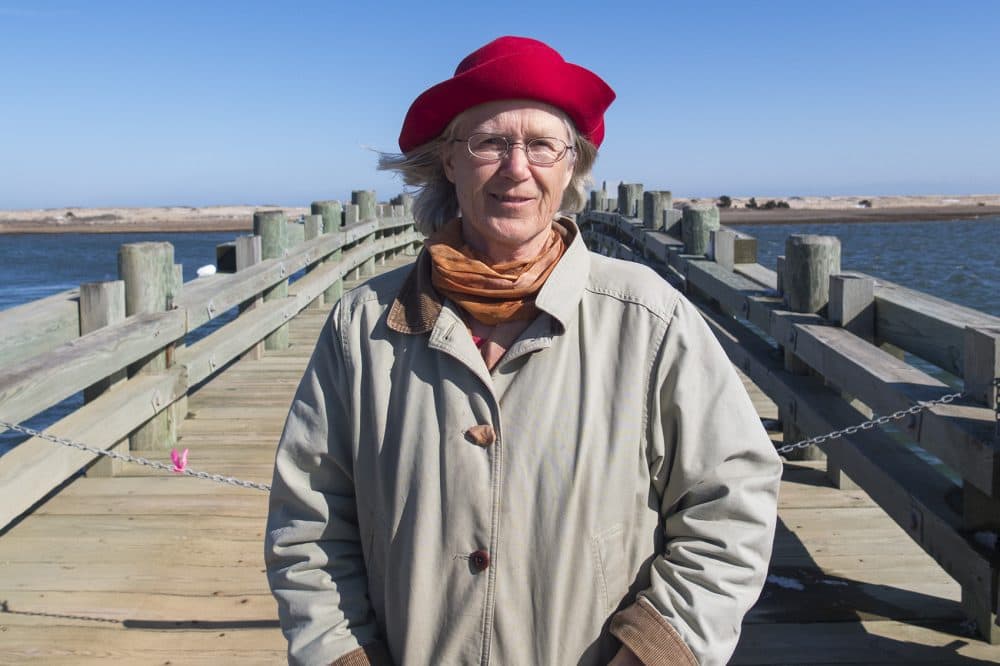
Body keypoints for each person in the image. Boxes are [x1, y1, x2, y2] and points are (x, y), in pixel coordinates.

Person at [265, 35, 781, 666]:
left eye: (541, 145)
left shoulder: (648, 317)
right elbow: (308, 523)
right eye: (489, 142)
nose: (517, 168)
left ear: (572, 168)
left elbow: (733, 501)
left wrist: (659, 650)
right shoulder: (363, 324)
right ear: (449, 162)